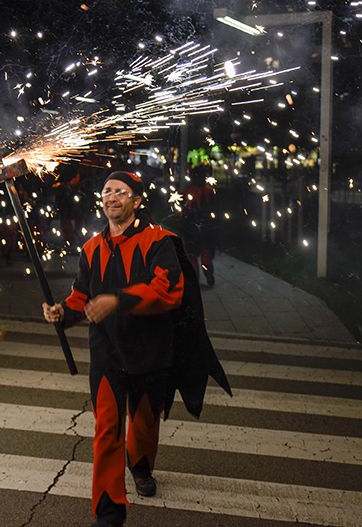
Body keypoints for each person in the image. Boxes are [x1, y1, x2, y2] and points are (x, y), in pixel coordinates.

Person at [42, 170, 231, 527]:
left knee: (144, 424)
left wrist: (117, 301)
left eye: (121, 192)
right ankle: (109, 512)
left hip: (151, 351)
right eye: (107, 191)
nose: (112, 197)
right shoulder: (91, 248)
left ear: (137, 201)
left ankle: (141, 468)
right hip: (108, 354)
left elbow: (168, 291)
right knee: (107, 430)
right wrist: (63, 312)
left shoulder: (159, 241)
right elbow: (82, 294)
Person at [180, 164, 217, 286]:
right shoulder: (206, 190)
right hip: (199, 226)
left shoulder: (204, 191)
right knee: (199, 253)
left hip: (197, 226)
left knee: (196, 255)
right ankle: (203, 275)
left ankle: (200, 277)